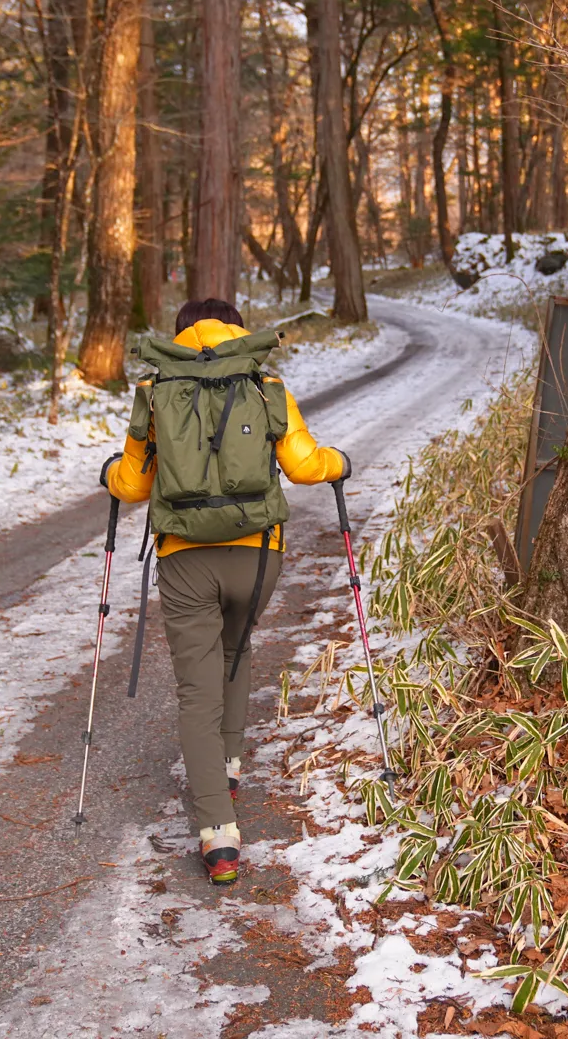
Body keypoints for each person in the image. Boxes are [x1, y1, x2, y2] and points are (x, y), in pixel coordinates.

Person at [106, 297, 348, 884]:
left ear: (181, 331)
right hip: (258, 552)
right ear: (236, 329)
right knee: (236, 652)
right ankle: (230, 761)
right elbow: (304, 464)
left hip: (186, 558)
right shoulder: (265, 382)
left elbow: (134, 485)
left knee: (197, 688)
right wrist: (339, 462)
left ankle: (219, 835)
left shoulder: (156, 386)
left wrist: (111, 470)